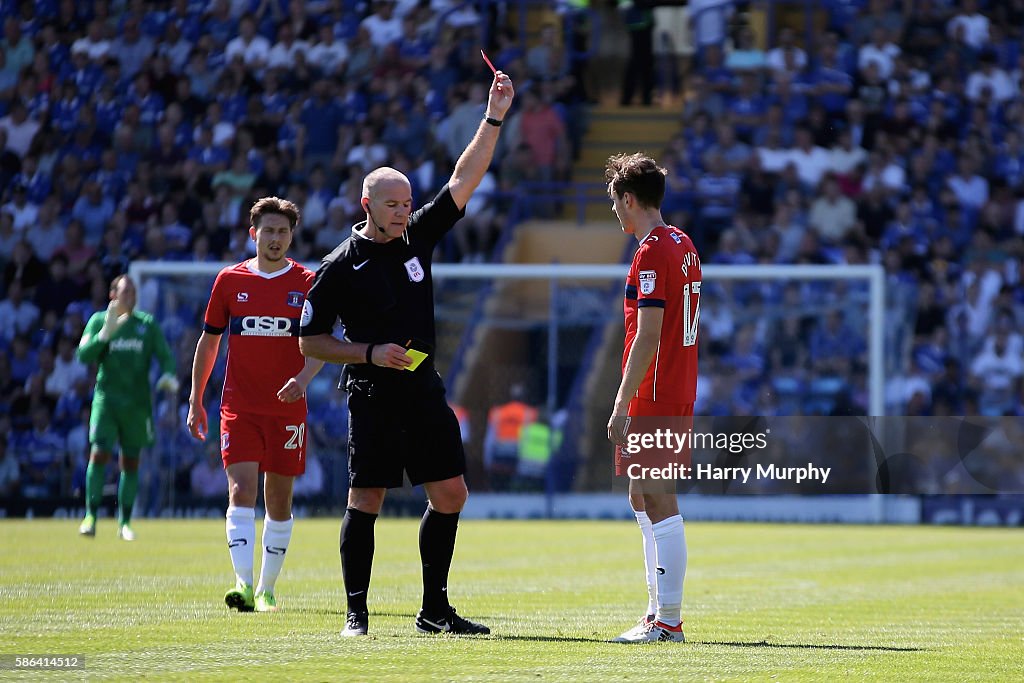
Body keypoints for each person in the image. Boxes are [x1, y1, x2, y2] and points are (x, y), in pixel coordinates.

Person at [298, 69, 514, 637]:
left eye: (407, 203)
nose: (402, 211)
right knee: (366, 496)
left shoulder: (418, 236)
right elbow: (310, 341)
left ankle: (434, 610)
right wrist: (369, 353)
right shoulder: (340, 266)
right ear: (367, 204)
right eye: (391, 203)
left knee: (451, 493)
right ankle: (356, 613)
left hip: (423, 389)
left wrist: (493, 116)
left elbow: (465, 178)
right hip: (372, 394)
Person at [187, 197, 325, 614]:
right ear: (254, 234)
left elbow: (321, 345)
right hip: (239, 407)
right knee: (240, 489)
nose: (276, 238)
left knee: (279, 499)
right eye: (269, 230)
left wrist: (302, 380)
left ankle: (268, 588)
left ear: (291, 236)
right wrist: (196, 398)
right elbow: (209, 343)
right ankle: (243, 585)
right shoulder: (229, 281)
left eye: (283, 231)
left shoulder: (307, 281)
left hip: (287, 411)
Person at [604, 153, 701, 643]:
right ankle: (656, 611)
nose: (616, 215)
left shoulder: (651, 252)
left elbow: (648, 334)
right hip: (674, 387)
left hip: (655, 392)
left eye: (616, 204)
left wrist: (621, 401)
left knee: (659, 498)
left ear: (629, 199)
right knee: (640, 494)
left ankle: (669, 621)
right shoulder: (683, 243)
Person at [76, 274, 178, 541]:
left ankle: (124, 523)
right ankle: (91, 517)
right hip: (107, 402)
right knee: (99, 455)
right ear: (113, 294)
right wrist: (104, 336)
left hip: (137, 405)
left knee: (130, 463)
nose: (130, 295)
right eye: (125, 291)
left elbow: (166, 357)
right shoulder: (100, 321)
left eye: (133, 291)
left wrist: (168, 376)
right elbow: (83, 355)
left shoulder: (146, 324)